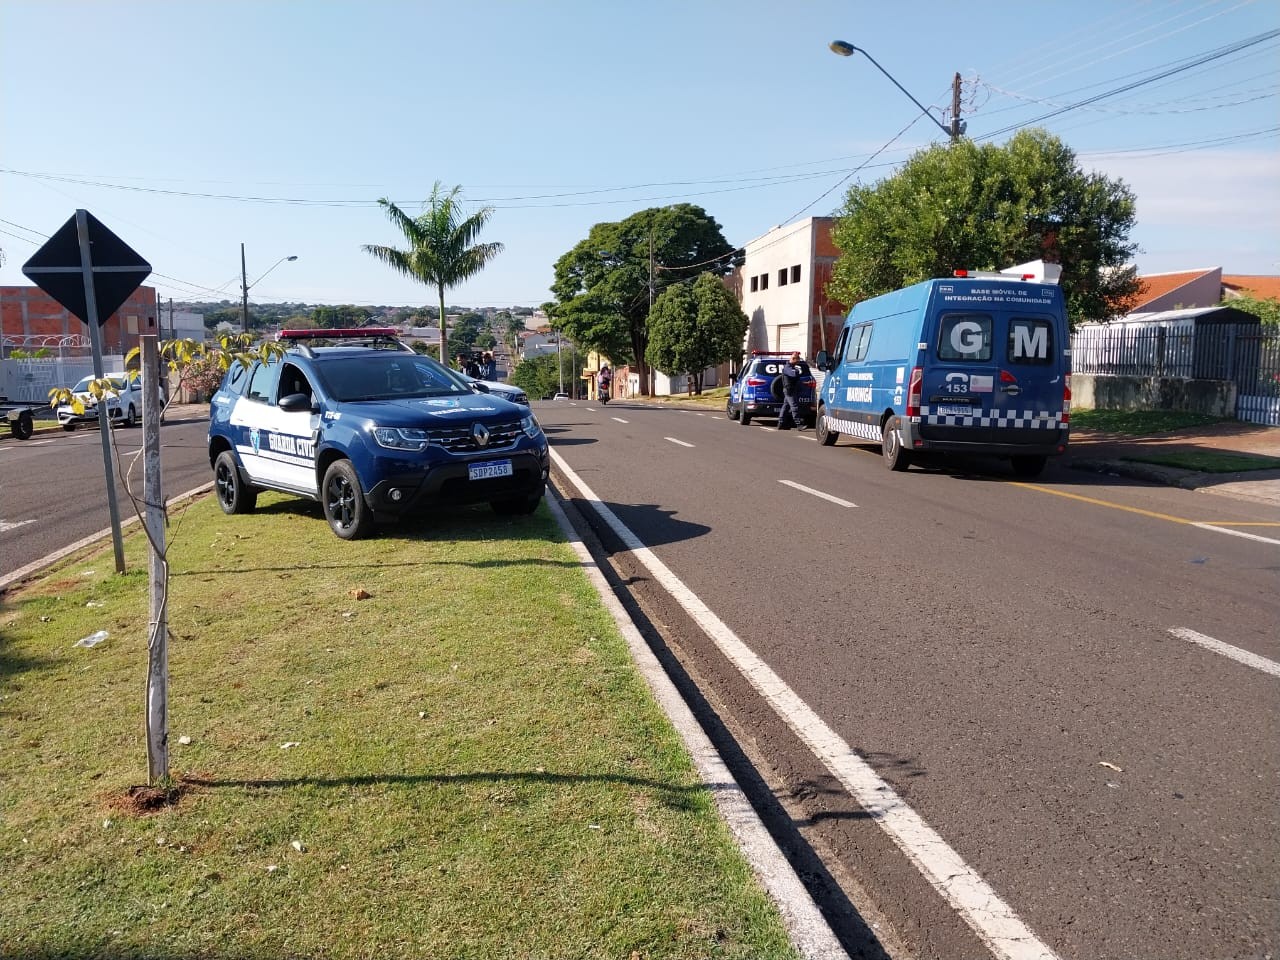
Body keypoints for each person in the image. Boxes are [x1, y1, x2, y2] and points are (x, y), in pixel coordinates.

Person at [776, 351, 805, 431]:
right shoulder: (787, 367)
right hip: (789, 390)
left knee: (785, 406)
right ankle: (798, 424)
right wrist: (797, 371)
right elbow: (794, 374)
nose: (798, 362)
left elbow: (796, 377)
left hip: (792, 390)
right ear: (793, 359)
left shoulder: (791, 367)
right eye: (797, 360)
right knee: (794, 406)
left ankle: (781, 423)